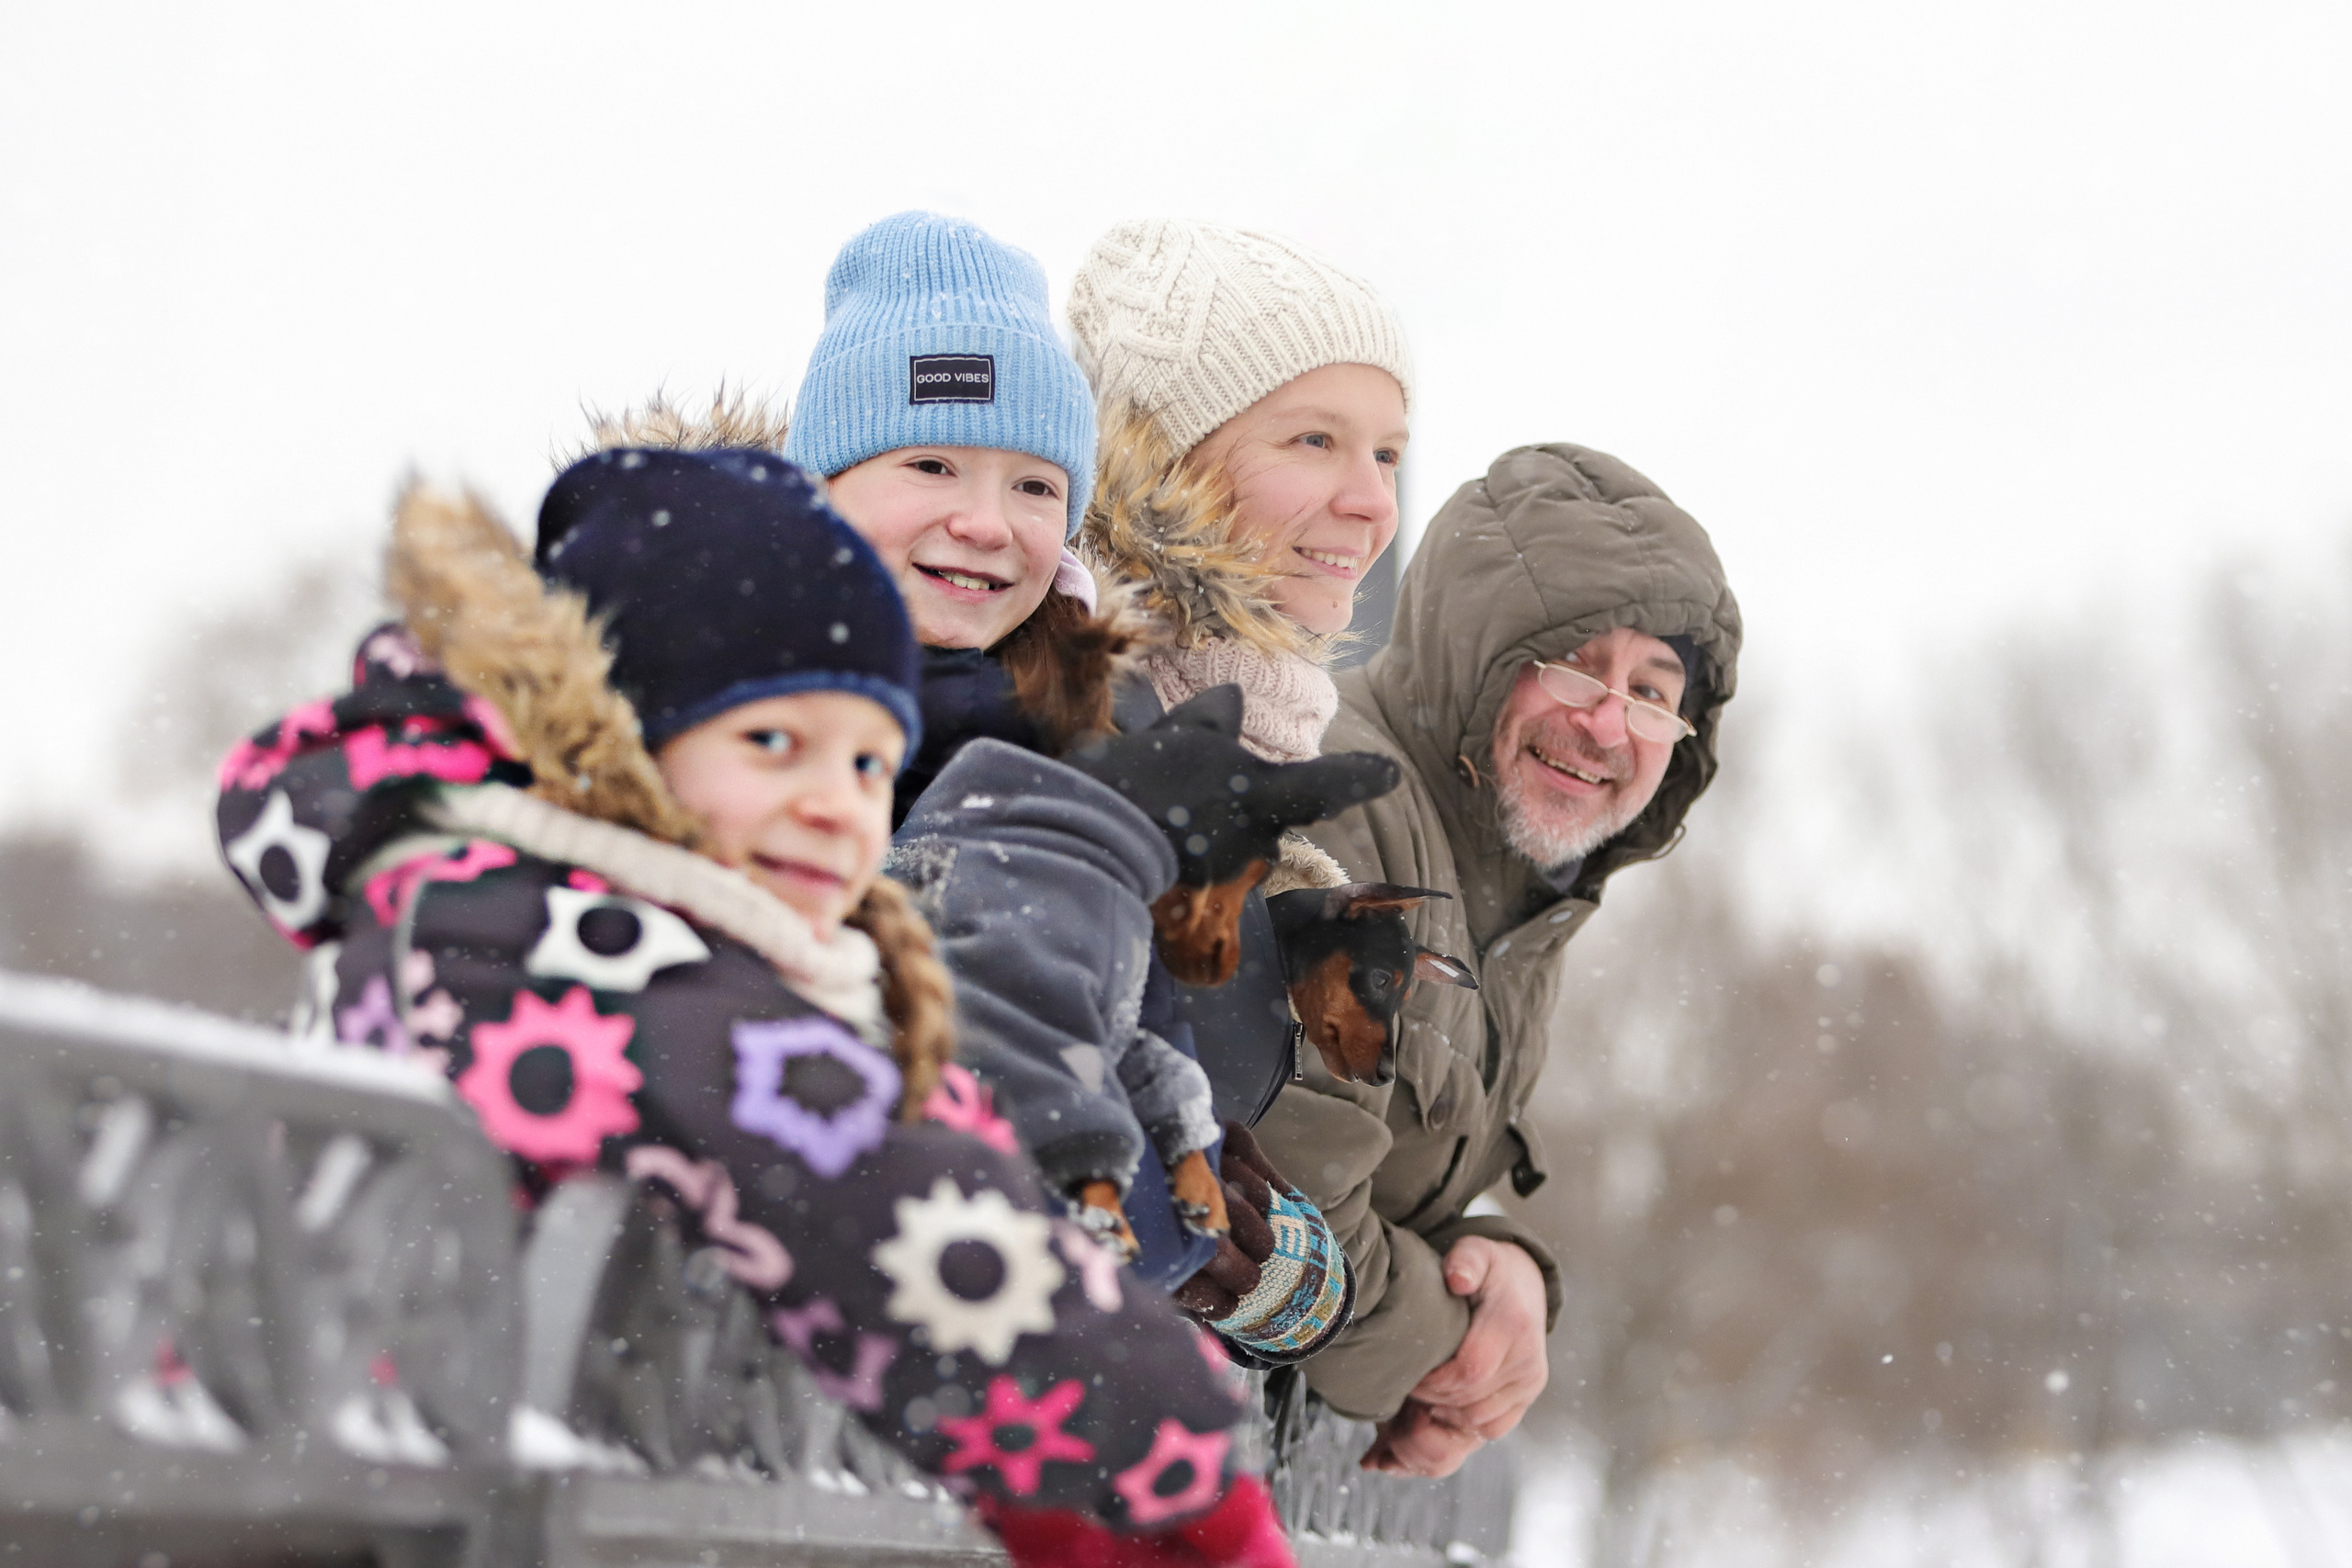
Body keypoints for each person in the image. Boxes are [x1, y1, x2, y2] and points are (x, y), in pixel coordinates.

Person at [215, 447, 1291, 1564]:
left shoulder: (473, 907)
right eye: (772, 743)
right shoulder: (589, 958)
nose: (835, 808)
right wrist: (1170, 1464)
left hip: (373, 1475)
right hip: (409, 1501)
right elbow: (882, 1202)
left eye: (872, 763)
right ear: (617, 744)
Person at [775, 214, 1362, 1371]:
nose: (986, 522)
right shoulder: (731, 713)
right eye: (930, 464)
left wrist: (1232, 1252)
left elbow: (1141, 1070)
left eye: (1035, 484)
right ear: (822, 485)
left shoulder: (1087, 759)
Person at [1252, 443, 1744, 1476]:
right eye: (1573, 664)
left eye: (1653, 692)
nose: (1607, 722)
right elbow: (1278, 1190)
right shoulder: (1339, 797)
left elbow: (1396, 1172)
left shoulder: (1512, 882)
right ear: (1471, 652)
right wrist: (1451, 1350)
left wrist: (1503, 1267)